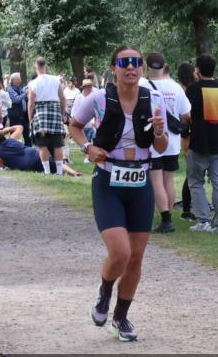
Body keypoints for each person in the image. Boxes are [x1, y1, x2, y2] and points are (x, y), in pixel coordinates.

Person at [67, 46, 167, 342]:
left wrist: (160, 132)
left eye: (136, 63)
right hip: (109, 180)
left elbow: (160, 148)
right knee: (120, 252)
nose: (131, 68)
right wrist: (87, 147)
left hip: (140, 183)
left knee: (135, 258)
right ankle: (105, 291)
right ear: (113, 68)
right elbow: (74, 126)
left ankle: (121, 318)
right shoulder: (98, 98)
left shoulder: (155, 100)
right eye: (124, 63)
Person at [144, 52, 191, 234]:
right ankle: (168, 214)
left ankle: (166, 218)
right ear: (165, 66)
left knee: (156, 179)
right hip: (172, 140)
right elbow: (186, 114)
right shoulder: (176, 87)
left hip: (154, 138)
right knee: (168, 179)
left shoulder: (143, 85)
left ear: (148, 68)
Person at [185, 53, 218, 234]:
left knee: (196, 182)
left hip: (199, 142)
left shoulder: (193, 89)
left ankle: (203, 221)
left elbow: (187, 114)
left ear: (197, 69)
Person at [0, 131, 82, 176]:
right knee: (56, 164)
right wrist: (8, 128)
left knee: (45, 168)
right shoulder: (12, 138)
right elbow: (19, 127)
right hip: (33, 153)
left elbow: (1, 165)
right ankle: (73, 172)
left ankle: (62, 172)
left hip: (26, 164)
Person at [27, 57, 68, 176]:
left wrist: (30, 118)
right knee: (57, 143)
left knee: (42, 144)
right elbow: (63, 98)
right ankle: (60, 172)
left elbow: (31, 103)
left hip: (40, 114)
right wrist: (62, 113)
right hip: (55, 111)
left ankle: (47, 172)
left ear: (35, 67)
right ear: (46, 66)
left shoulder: (33, 83)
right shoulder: (56, 80)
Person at [175, 60, 197, 220]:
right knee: (191, 173)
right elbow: (187, 116)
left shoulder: (180, 89)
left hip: (185, 135)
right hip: (188, 134)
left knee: (192, 173)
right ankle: (187, 209)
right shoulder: (188, 91)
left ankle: (190, 206)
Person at [7, 72, 30, 145]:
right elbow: (16, 99)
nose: (20, 81)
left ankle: (28, 151)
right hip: (15, 116)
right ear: (13, 81)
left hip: (23, 115)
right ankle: (13, 151)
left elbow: (24, 99)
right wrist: (25, 93)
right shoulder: (9, 89)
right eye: (18, 80)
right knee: (15, 135)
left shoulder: (19, 89)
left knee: (27, 135)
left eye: (19, 80)